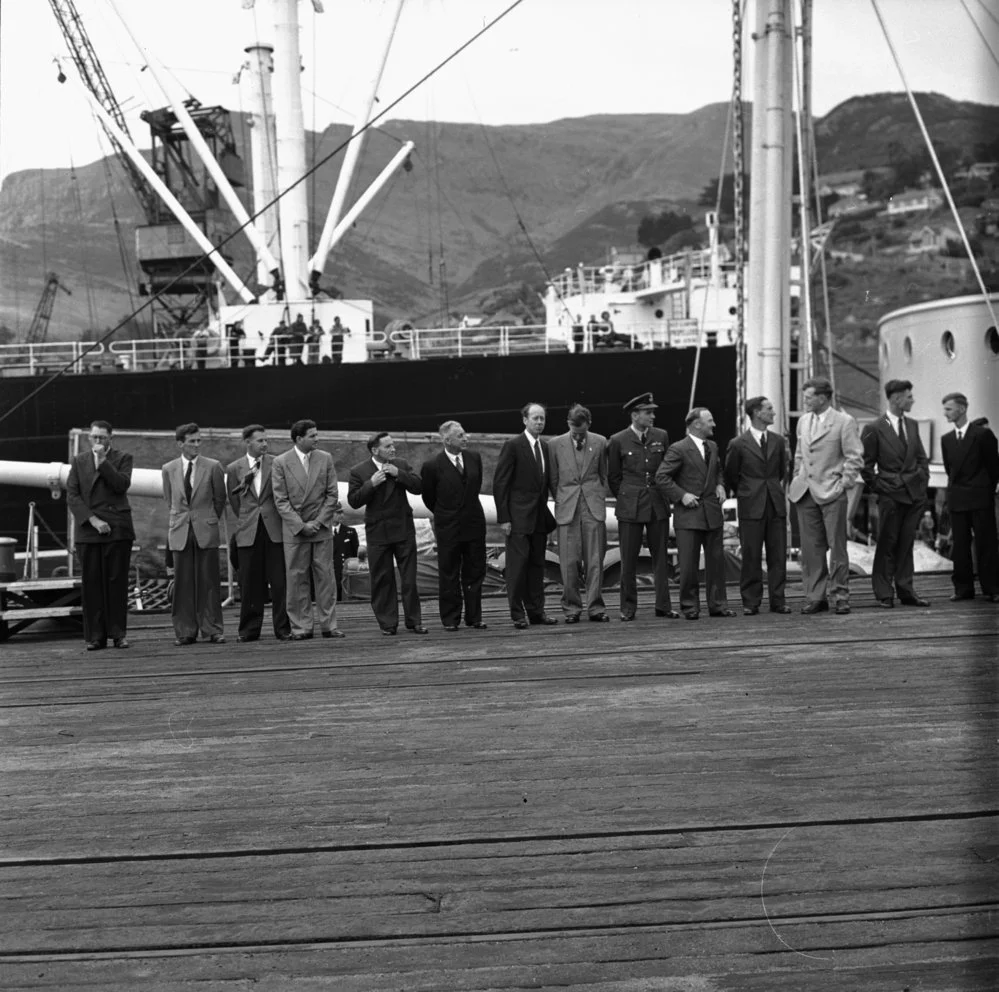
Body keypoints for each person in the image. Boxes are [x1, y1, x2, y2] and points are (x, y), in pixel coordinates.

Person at [788, 377, 864, 616]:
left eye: (809, 396)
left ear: (823, 398)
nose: (805, 400)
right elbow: (800, 454)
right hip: (805, 492)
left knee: (837, 548)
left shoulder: (844, 421)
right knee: (811, 550)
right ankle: (815, 597)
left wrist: (844, 483)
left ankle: (840, 595)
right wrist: (797, 479)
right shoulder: (803, 421)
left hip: (831, 491)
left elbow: (855, 457)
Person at [657, 407, 735, 620]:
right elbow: (662, 477)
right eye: (710, 421)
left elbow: (717, 470)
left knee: (716, 563)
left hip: (712, 514)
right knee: (689, 566)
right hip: (689, 516)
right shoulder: (678, 449)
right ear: (696, 424)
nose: (714, 425)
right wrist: (681, 495)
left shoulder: (713, 446)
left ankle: (718, 605)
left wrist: (720, 485)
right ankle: (690, 606)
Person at [860, 379, 931, 608]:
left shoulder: (912, 425)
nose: (912, 400)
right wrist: (883, 488)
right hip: (891, 495)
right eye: (909, 396)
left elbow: (921, 458)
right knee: (887, 542)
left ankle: (906, 590)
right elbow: (866, 467)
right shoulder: (874, 428)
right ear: (896, 399)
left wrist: (921, 482)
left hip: (914, 495)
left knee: (907, 542)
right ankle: (884, 593)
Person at [607, 392, 677, 621]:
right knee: (628, 560)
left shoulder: (661, 436)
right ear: (635, 415)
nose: (652, 416)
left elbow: (666, 469)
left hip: (657, 503)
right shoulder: (618, 440)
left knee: (661, 558)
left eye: (652, 412)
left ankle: (663, 606)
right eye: (648, 412)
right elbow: (614, 478)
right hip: (631, 506)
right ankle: (628, 608)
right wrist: (628, 497)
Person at [271, 419, 344, 640]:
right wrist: (301, 525)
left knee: (326, 578)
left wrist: (318, 522)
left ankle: (328, 625)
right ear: (298, 438)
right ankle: (301, 627)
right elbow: (280, 500)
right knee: (296, 578)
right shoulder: (281, 462)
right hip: (296, 530)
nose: (317, 438)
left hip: (320, 529)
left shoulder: (325, 459)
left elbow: (332, 495)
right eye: (312, 435)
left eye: (316, 434)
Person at [66, 420, 135, 650]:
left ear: (110, 439)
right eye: (94, 437)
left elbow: (120, 485)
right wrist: (93, 520)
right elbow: (72, 496)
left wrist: (104, 462)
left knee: (116, 582)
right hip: (89, 530)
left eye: (102, 438)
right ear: (89, 438)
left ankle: (118, 634)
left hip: (117, 528)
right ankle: (95, 636)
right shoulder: (78, 462)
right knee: (92, 583)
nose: (97, 441)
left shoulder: (123, 458)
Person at [348, 432, 426, 635]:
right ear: (375, 450)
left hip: (403, 529)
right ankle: (388, 624)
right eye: (388, 446)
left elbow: (419, 487)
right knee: (382, 579)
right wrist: (371, 484)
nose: (393, 449)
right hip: (378, 532)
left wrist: (398, 473)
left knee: (409, 579)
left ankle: (414, 621)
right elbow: (354, 500)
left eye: (393, 445)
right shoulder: (359, 471)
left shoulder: (400, 463)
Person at [723, 396, 791, 615]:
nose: (773, 412)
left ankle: (778, 600)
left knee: (777, 554)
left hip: (775, 503)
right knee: (751, 554)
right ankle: (751, 602)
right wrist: (748, 492)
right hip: (751, 504)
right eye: (769, 409)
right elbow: (731, 475)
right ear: (756, 413)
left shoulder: (778, 441)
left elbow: (782, 472)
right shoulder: (738, 444)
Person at [493, 402, 558, 629]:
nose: (539, 422)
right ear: (525, 420)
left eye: (542, 419)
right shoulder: (513, 446)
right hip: (518, 519)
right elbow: (500, 483)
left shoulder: (545, 447)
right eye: (535, 418)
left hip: (539, 518)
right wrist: (504, 518)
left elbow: (547, 483)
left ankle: (537, 612)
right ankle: (517, 614)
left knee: (537, 567)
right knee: (517, 568)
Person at [162, 423, 227, 645]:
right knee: (182, 583)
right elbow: (169, 499)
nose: (197, 445)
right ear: (180, 443)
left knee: (208, 582)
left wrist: (207, 519)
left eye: (199, 441)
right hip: (180, 530)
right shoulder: (168, 469)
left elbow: (220, 499)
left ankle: (212, 629)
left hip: (205, 529)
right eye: (192, 441)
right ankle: (185, 631)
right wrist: (184, 519)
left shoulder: (213, 466)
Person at [226, 424, 291, 643]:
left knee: (280, 582)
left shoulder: (278, 463)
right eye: (260, 440)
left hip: (274, 530)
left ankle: (283, 628)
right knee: (249, 582)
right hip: (248, 530)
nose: (265, 443)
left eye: (266, 440)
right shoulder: (234, 468)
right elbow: (235, 501)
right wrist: (249, 518)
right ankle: (249, 630)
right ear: (248, 442)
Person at [420, 420, 488, 631]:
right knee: (449, 572)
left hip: (474, 525)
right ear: (447, 440)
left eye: (465, 434)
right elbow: (429, 498)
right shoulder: (432, 466)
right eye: (460, 435)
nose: (465, 438)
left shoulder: (474, 458)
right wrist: (446, 514)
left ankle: (474, 617)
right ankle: (450, 618)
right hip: (448, 527)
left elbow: (474, 487)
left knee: (475, 571)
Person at [548, 403, 610, 623]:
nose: (578, 435)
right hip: (567, 509)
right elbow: (553, 479)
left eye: (581, 431)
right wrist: (563, 500)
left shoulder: (601, 442)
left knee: (595, 560)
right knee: (569, 561)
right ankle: (571, 608)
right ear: (568, 424)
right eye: (574, 431)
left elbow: (604, 475)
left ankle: (596, 607)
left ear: (589, 424)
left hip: (593, 508)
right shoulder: (554, 445)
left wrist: (597, 496)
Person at [940, 392, 999, 602]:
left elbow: (994, 467)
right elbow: (950, 469)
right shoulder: (946, 440)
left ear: (962, 409)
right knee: (961, 545)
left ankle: (992, 587)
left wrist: (985, 489)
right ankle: (963, 588)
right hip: (958, 499)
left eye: (949, 408)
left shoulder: (983, 435)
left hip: (980, 497)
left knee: (986, 544)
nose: (945, 413)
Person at [331, 508, 359, 602]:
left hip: (346, 573)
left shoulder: (350, 532)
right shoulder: (324, 532)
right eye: (338, 513)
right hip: (330, 573)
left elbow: (355, 555)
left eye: (342, 512)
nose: (341, 515)